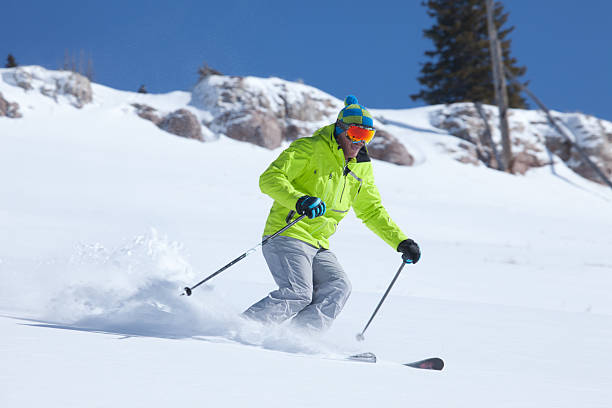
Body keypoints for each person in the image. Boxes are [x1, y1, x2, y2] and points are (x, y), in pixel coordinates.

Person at [243, 95, 421, 331]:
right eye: (357, 134)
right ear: (341, 129)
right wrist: (300, 200)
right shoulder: (310, 148)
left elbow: (371, 209)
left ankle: (298, 340)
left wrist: (400, 241)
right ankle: (240, 328)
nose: (361, 142)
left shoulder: (361, 168)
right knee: (298, 293)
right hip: (288, 234)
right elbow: (269, 179)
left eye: (368, 136)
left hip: (319, 243)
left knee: (338, 286)